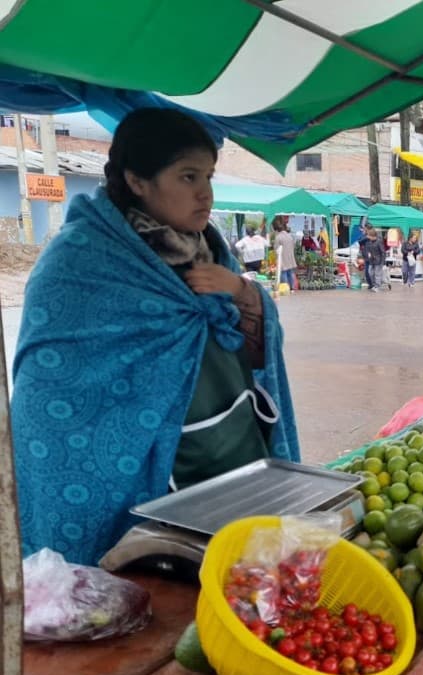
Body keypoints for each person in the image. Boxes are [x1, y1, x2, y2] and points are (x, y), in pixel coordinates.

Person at [11, 107, 299, 565]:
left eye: (208, 177)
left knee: (243, 579)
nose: (205, 194)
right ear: (138, 181)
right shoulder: (80, 263)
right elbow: (50, 397)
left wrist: (243, 292)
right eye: (188, 177)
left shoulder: (210, 248)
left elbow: (248, 349)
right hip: (142, 472)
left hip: (231, 453)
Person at [272, 216, 297, 292]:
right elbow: (293, 245)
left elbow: (276, 249)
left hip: (282, 258)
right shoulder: (290, 236)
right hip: (290, 257)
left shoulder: (278, 237)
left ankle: (286, 287)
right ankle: (292, 288)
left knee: (284, 273)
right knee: (290, 272)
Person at [364, 227, 387, 292]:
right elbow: (368, 250)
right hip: (371, 260)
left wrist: (382, 262)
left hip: (378, 260)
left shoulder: (379, 241)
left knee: (377, 274)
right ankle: (374, 285)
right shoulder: (369, 242)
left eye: (368, 235)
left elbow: (383, 252)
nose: (367, 236)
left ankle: (377, 286)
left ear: (372, 236)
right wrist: (368, 254)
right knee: (370, 273)